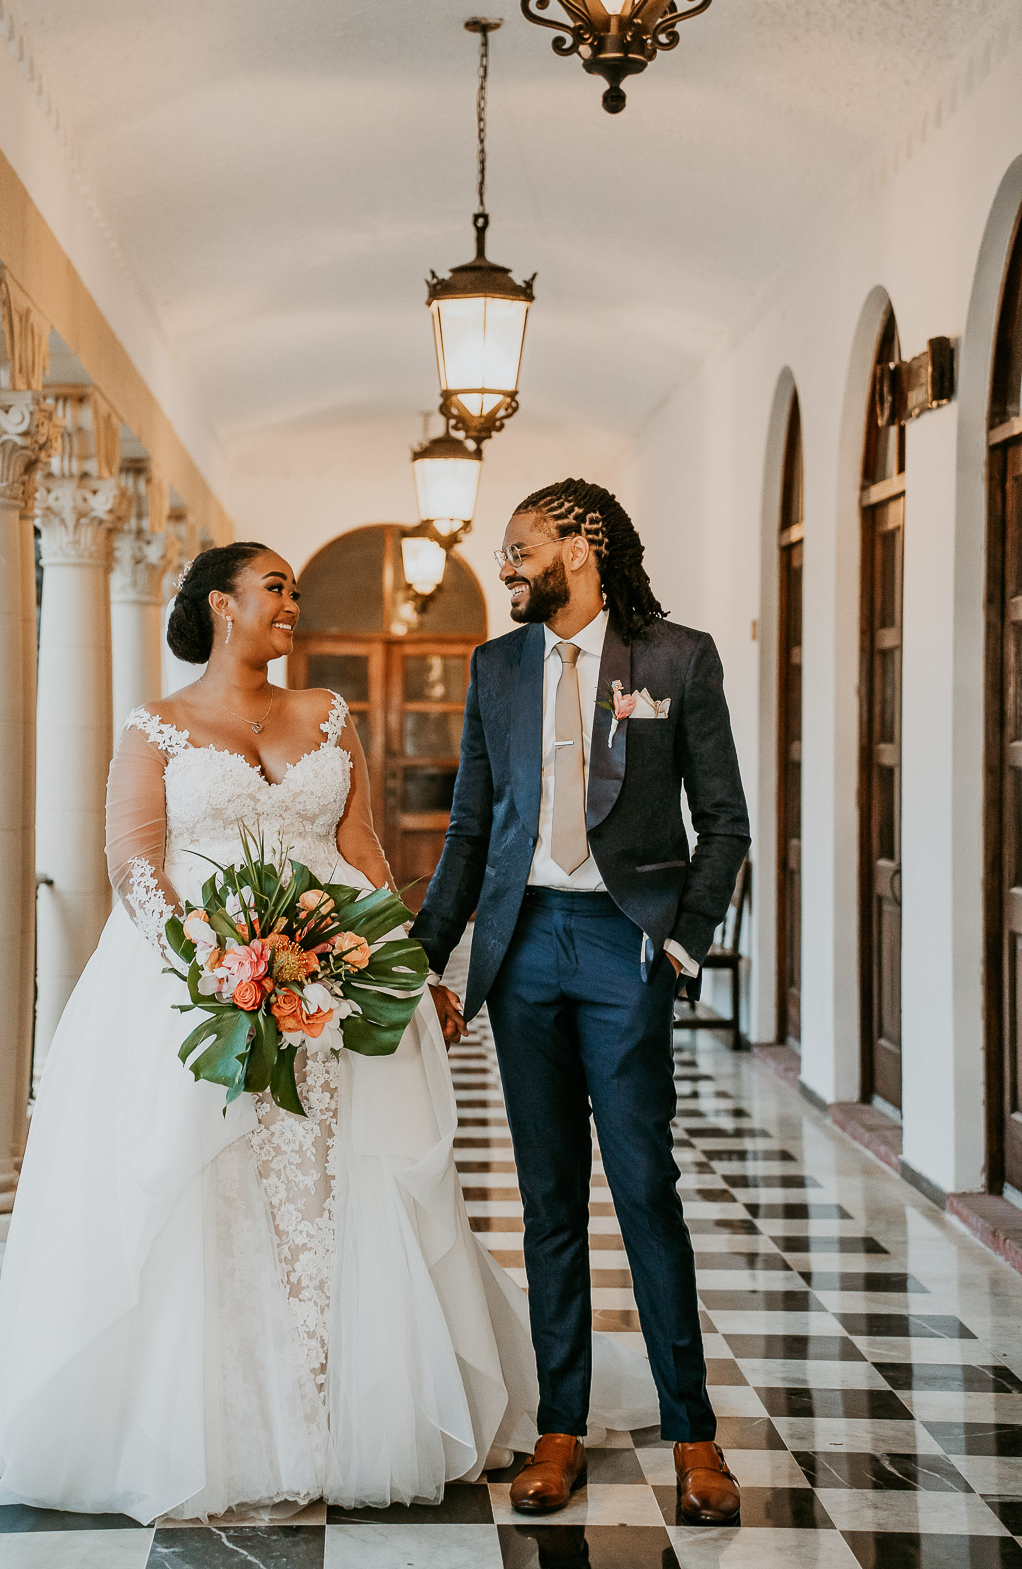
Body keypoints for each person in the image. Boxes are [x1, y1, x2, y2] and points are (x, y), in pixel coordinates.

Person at [0, 540, 658, 1521]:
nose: (293, 603)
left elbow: (360, 848)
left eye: (293, 589)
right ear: (221, 605)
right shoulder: (155, 727)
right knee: (210, 1189)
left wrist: (410, 964)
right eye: (276, 587)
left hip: (339, 979)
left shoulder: (327, 714)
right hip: (194, 986)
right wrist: (208, 961)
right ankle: (230, 1422)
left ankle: (348, 1404)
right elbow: (134, 864)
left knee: (342, 1185)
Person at [411, 480, 751, 1526]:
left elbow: (726, 821)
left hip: (624, 947)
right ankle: (559, 1429)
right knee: (549, 1200)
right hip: (521, 957)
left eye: (519, 548)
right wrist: (429, 959)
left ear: (581, 543)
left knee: (645, 1187)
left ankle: (693, 1433)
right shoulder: (497, 667)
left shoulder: (676, 658)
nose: (505, 566)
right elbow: (473, 829)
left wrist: (683, 942)